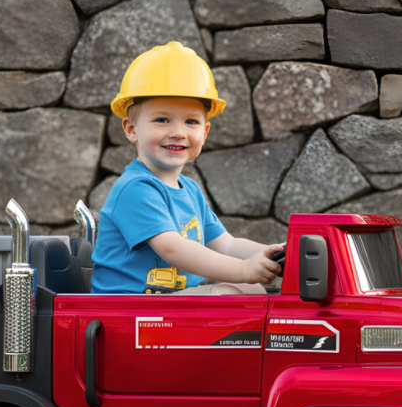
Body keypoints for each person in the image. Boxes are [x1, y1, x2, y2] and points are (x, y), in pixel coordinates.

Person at [90, 41, 283, 295]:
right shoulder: (135, 188)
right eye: (162, 120)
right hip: (126, 310)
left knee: (252, 290)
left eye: (191, 121)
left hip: (168, 309)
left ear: (205, 132)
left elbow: (226, 245)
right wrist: (244, 270)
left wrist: (274, 253)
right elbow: (173, 249)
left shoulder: (189, 190)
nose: (178, 133)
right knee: (229, 293)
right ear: (131, 129)